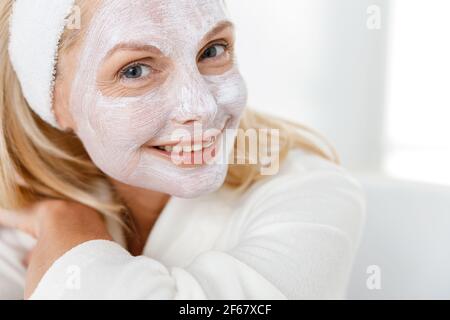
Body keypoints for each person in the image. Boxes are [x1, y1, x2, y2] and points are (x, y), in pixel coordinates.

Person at [0, 0, 365, 299]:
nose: (202, 107)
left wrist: (67, 225)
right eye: (135, 71)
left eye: (213, 50)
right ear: (53, 102)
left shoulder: (312, 191)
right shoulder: (17, 206)